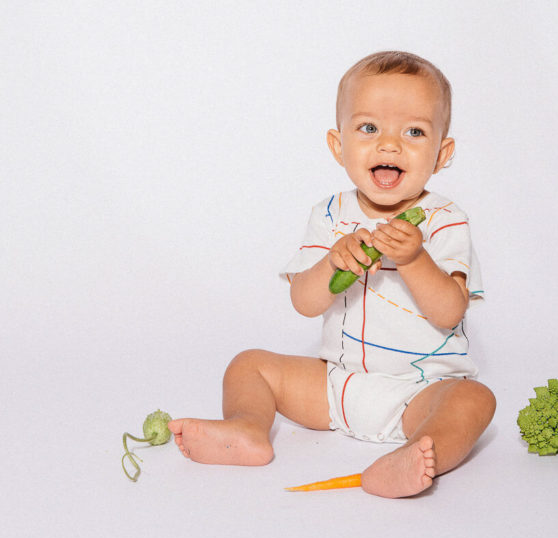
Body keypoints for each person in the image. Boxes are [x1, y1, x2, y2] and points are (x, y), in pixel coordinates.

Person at [169, 51, 495, 497]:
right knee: (248, 365)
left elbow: (449, 311)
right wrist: (331, 263)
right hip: (336, 383)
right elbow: (304, 302)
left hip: (421, 391)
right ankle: (246, 430)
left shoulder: (444, 219)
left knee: (474, 400)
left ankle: (413, 457)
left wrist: (416, 260)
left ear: (443, 153)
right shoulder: (329, 214)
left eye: (414, 131)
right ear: (338, 145)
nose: (389, 144)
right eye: (368, 128)